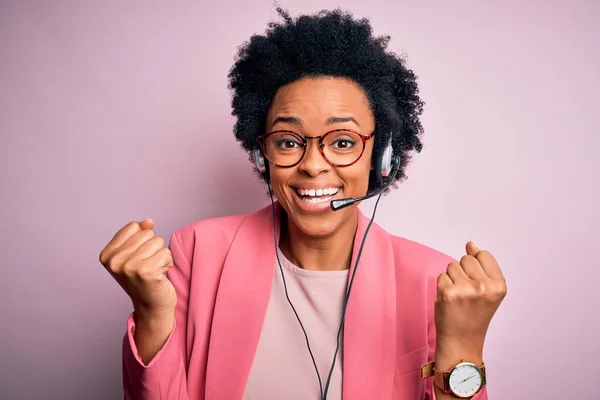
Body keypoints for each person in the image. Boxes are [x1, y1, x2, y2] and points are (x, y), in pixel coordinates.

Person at [99, 8, 506, 400]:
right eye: (289, 142)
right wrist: (151, 313)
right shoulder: (197, 251)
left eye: (343, 142)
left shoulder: (432, 279)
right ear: (263, 155)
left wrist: (464, 345)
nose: (312, 165)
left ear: (381, 157)